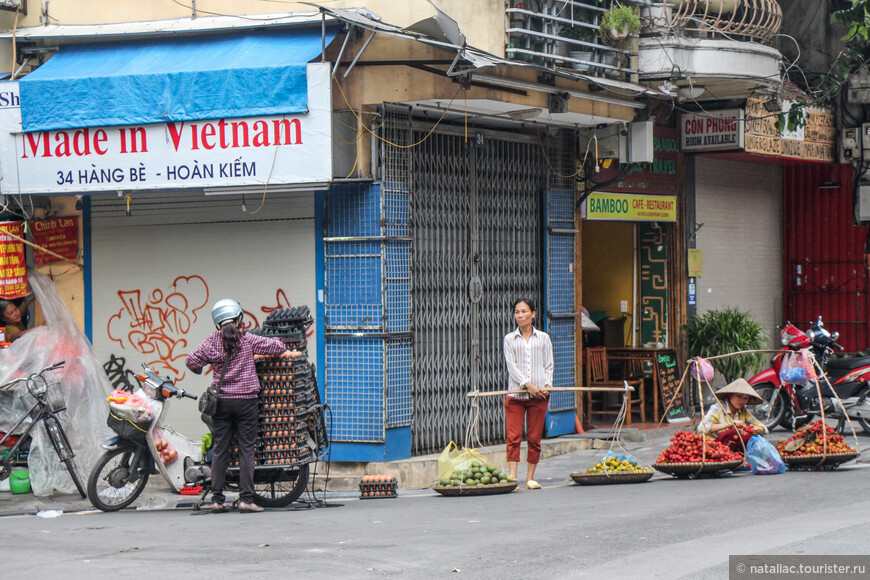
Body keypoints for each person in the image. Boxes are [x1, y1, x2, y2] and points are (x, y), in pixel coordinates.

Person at [185, 298, 300, 513]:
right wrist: (277, 337)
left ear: (217, 323)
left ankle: (217, 500)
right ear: (238, 318)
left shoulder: (211, 341)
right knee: (247, 451)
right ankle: (246, 499)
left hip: (222, 402)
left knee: (220, 450)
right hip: (247, 402)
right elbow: (277, 347)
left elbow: (191, 362)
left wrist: (203, 368)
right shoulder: (247, 339)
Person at [503, 298, 554, 490]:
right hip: (516, 395)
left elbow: (549, 364)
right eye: (517, 312)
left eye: (524, 311)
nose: (520, 316)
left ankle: (530, 478)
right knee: (513, 437)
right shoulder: (509, 339)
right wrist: (527, 385)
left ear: (533, 314)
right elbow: (512, 366)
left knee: (534, 437)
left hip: (539, 396)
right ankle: (513, 477)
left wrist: (546, 386)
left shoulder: (543, 338)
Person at [698, 378, 767, 451]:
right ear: (730, 395)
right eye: (739, 396)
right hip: (713, 446)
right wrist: (729, 424)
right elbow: (702, 428)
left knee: (750, 436)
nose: (742, 401)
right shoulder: (717, 408)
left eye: (746, 398)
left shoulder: (743, 411)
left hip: (731, 447)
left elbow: (763, 427)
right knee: (732, 432)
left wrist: (759, 429)